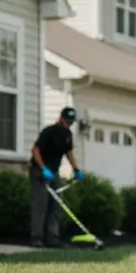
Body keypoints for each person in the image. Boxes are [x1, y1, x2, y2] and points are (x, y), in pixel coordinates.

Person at [30, 106, 84, 248]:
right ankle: (37, 239)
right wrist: (43, 168)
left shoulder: (67, 135)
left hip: (54, 172)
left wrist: (76, 169)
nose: (68, 124)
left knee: (56, 205)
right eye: (67, 121)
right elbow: (35, 150)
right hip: (40, 171)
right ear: (61, 118)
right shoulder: (49, 132)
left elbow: (69, 152)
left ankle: (52, 239)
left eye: (71, 122)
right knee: (40, 205)